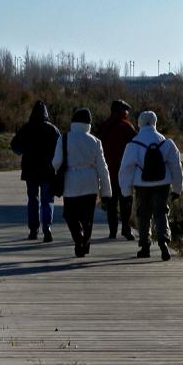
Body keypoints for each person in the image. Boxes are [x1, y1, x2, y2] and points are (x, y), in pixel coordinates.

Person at [118, 110, 183, 261]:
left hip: (142, 185)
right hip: (163, 183)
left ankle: (145, 246)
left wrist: (126, 191)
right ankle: (163, 244)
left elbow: (126, 169)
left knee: (143, 214)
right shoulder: (167, 143)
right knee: (161, 212)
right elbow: (176, 167)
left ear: (139, 123)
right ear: (155, 123)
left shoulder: (133, 144)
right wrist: (178, 188)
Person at [51, 108, 112, 258]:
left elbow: (56, 162)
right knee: (87, 217)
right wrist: (106, 192)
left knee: (70, 215)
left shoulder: (64, 139)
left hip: (70, 183)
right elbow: (103, 168)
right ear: (88, 124)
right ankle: (86, 242)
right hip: (90, 184)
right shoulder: (95, 141)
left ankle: (78, 239)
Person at [10, 100, 60, 241]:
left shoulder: (26, 128)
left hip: (30, 170)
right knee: (47, 200)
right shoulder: (52, 129)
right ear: (46, 113)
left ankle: (33, 230)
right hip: (47, 170)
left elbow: (15, 146)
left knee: (33, 199)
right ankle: (47, 228)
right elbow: (60, 148)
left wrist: (24, 151)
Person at [92, 100, 138, 240]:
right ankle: (125, 228)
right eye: (125, 110)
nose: (127, 113)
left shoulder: (104, 126)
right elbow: (137, 145)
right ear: (120, 111)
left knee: (111, 203)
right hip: (124, 172)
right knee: (126, 201)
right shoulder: (127, 127)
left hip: (109, 171)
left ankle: (112, 231)